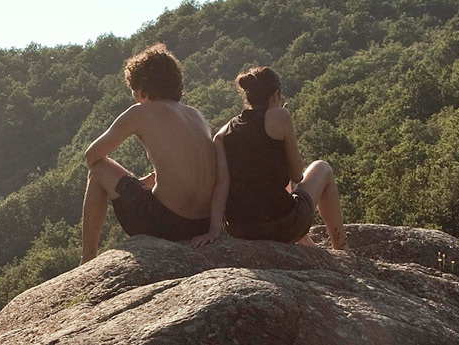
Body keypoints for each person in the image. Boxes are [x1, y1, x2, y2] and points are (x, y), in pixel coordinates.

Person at [80, 44, 226, 263]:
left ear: (142, 88)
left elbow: (92, 155)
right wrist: (145, 181)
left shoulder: (141, 112)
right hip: (203, 223)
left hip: (167, 223)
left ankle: (87, 257)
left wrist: (129, 183)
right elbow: (186, 165)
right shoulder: (196, 115)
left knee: (99, 169)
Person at [215, 66, 347, 249]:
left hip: (239, 230)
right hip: (279, 226)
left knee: (270, 181)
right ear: (275, 95)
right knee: (322, 168)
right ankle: (341, 247)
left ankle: (304, 241)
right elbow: (297, 176)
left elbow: (224, 182)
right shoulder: (280, 116)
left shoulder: (224, 132)